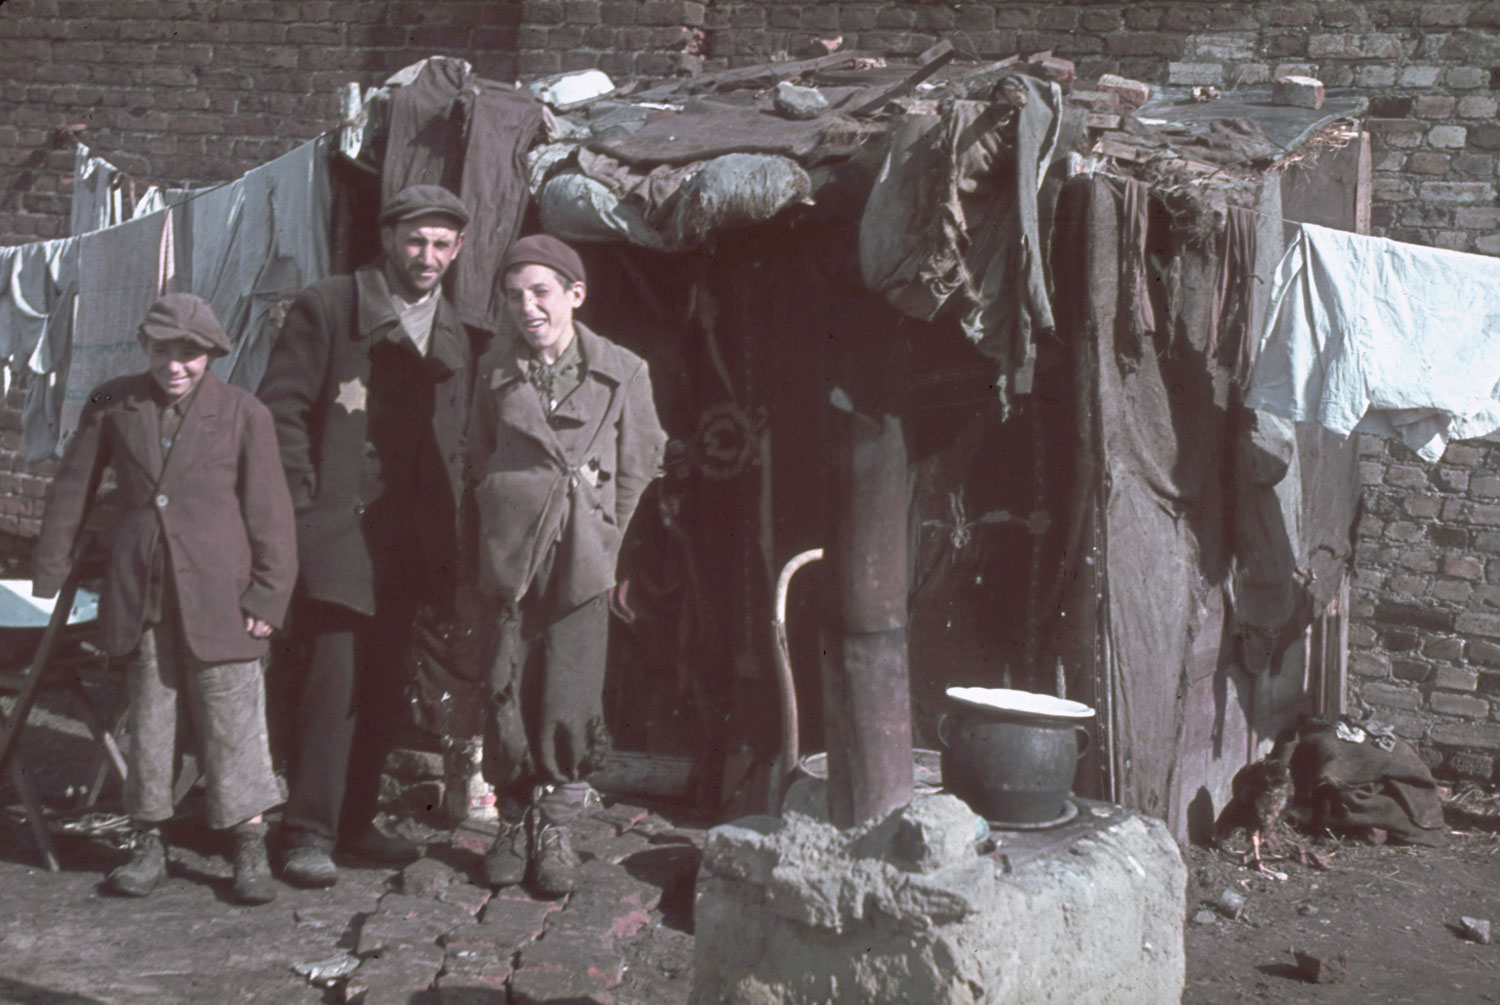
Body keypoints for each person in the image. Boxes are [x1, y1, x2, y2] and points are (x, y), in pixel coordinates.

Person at [33, 293, 297, 905]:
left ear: (212, 353)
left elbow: (271, 514)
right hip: (143, 592)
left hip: (224, 595)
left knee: (233, 717)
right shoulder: (112, 403)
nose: (174, 366)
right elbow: (72, 487)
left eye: (189, 354)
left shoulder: (244, 413)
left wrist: (268, 595)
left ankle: (248, 843)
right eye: (161, 351)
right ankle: (148, 842)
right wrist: (50, 571)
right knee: (151, 717)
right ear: (143, 348)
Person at [258, 184, 483, 887]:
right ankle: (306, 831)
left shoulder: (454, 332)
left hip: (408, 540)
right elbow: (280, 413)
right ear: (388, 238)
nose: (427, 256)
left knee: (381, 686)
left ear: (459, 249)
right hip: (338, 532)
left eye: (441, 244)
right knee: (331, 684)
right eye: (415, 240)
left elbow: (453, 444)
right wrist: (305, 510)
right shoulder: (330, 305)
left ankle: (354, 823)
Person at [468, 235, 667, 896]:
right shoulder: (494, 370)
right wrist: (508, 505)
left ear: (575, 295)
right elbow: (477, 452)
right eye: (514, 295)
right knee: (506, 680)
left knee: (569, 689)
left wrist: (604, 533)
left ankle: (554, 826)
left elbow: (640, 463)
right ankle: (512, 821)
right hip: (510, 553)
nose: (528, 308)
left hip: (582, 555)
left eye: (541, 292)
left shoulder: (622, 371)